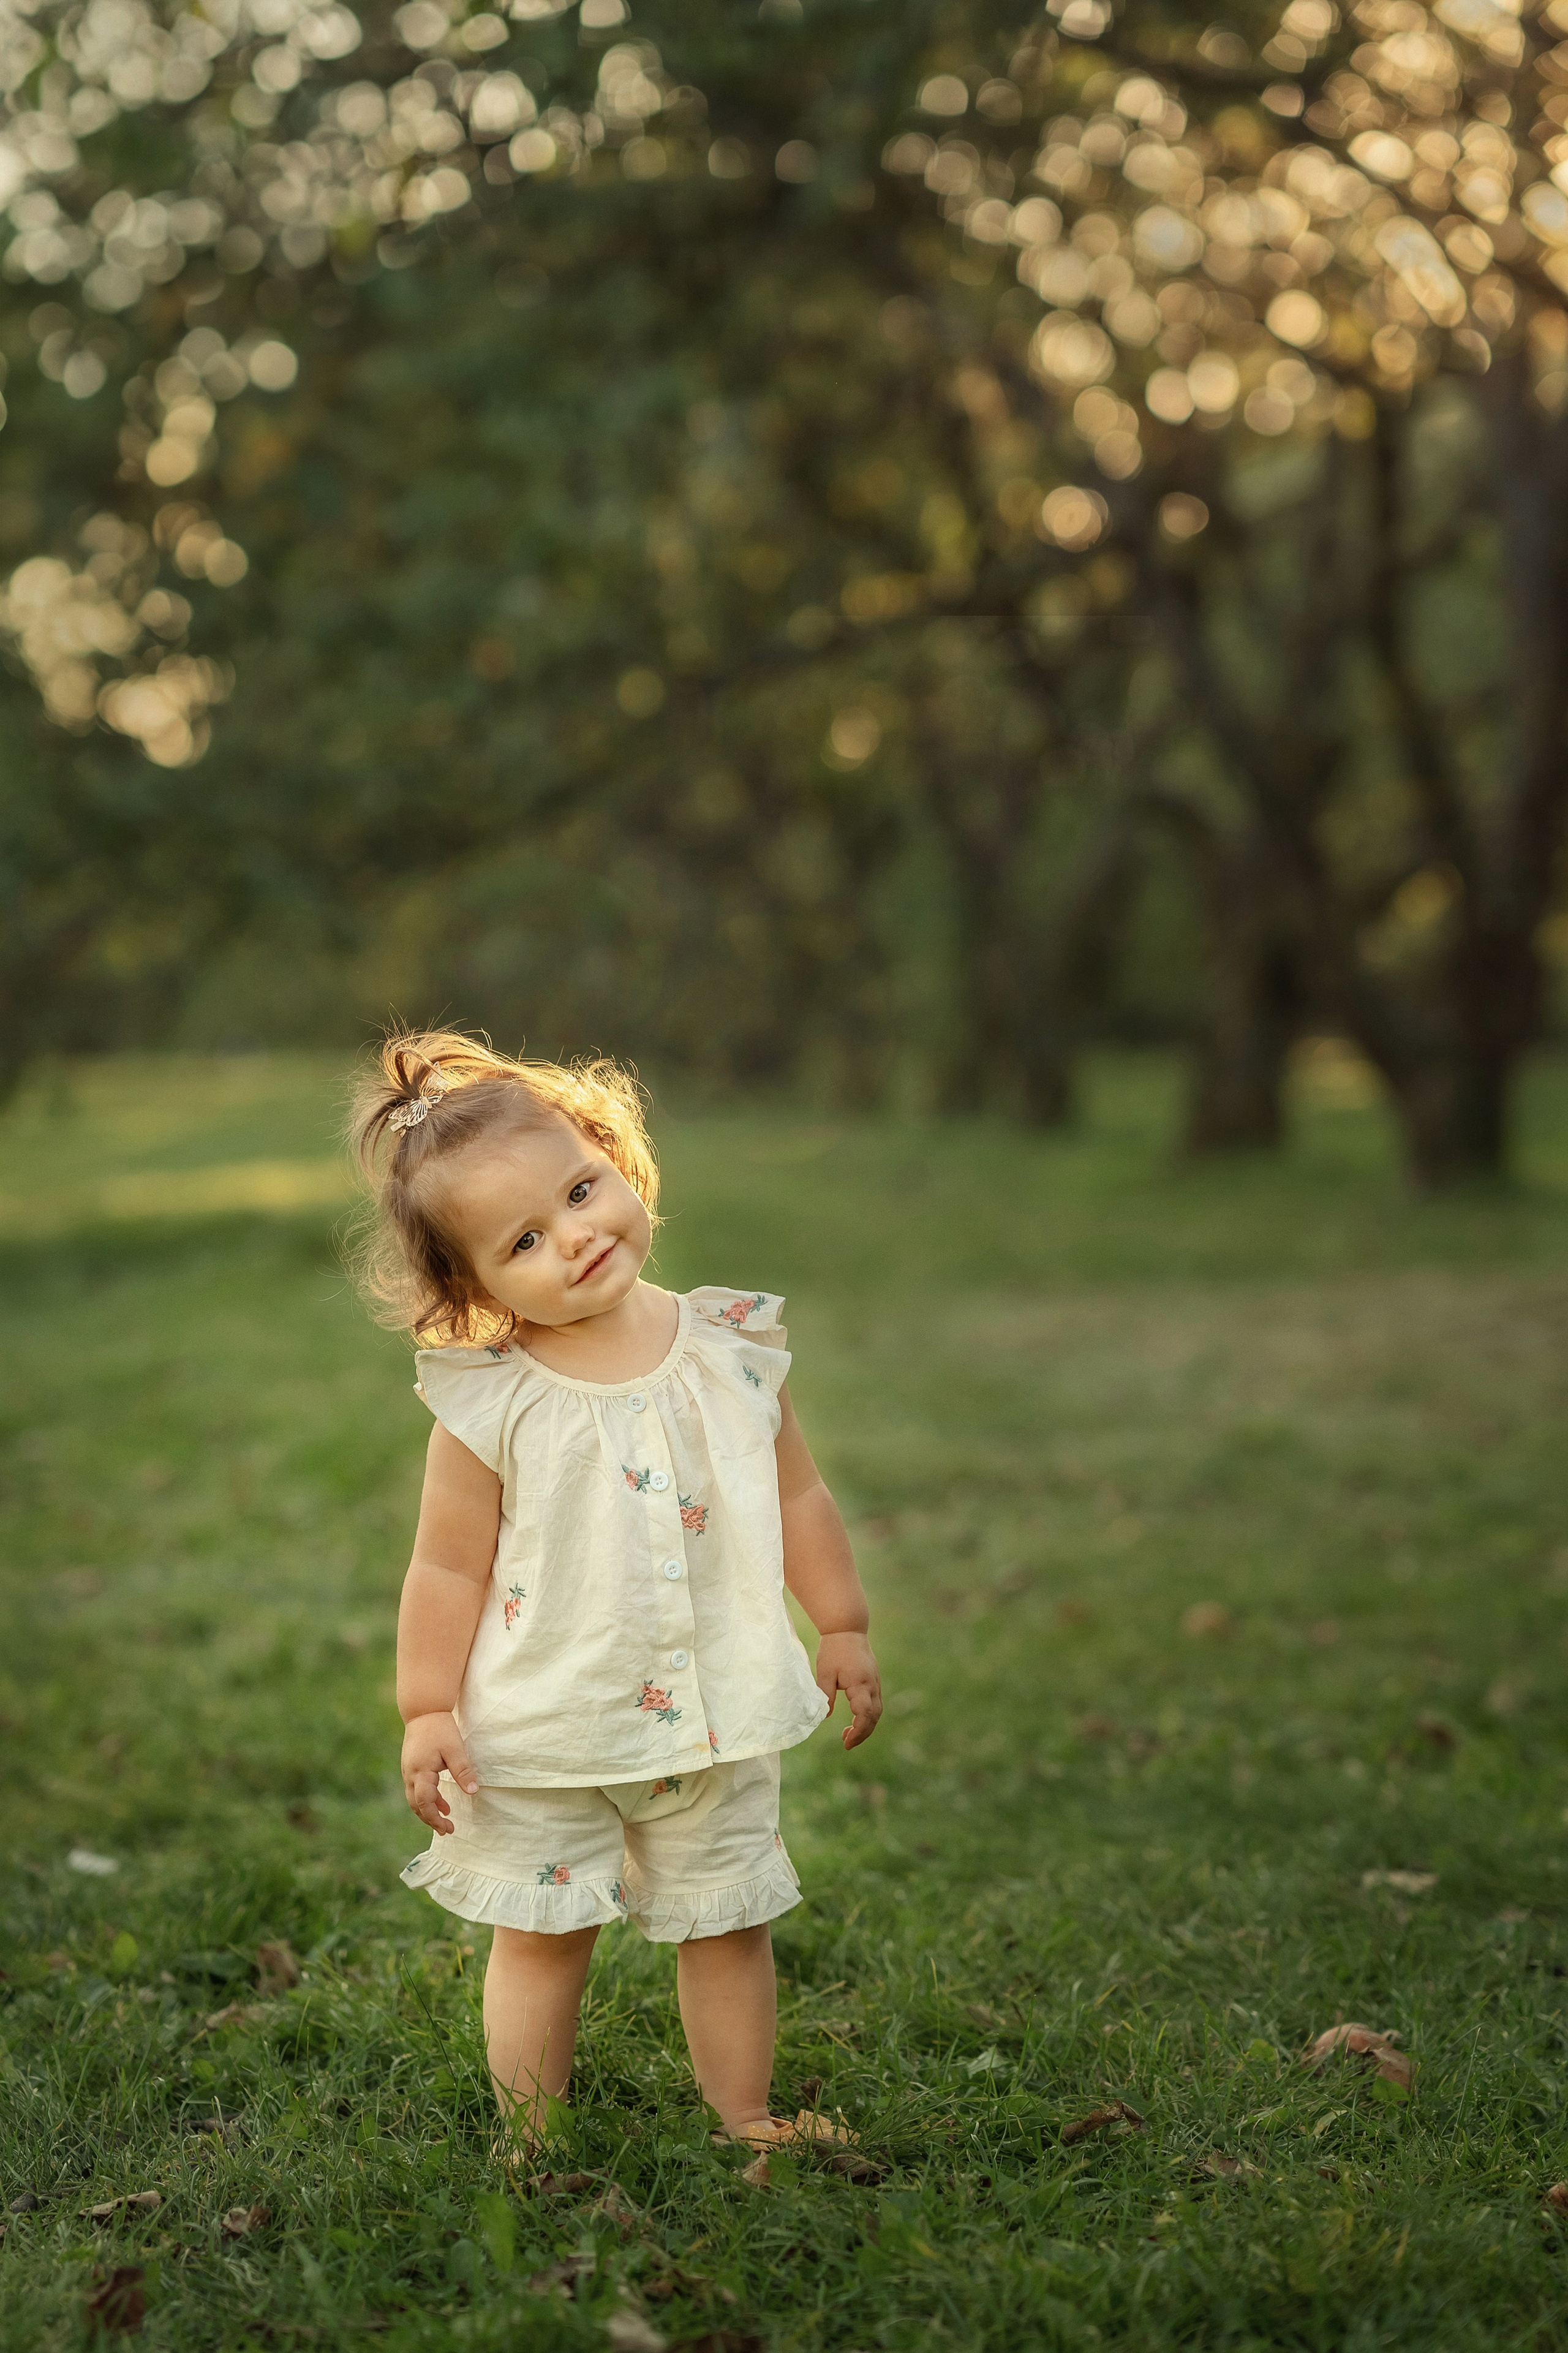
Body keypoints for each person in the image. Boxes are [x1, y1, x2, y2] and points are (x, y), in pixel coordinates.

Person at [349, 1029, 882, 2155]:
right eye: (526, 1239)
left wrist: (840, 1620)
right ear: (476, 1285)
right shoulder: (493, 1403)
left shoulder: (732, 1348)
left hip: (716, 1712)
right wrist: (426, 1706)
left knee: (730, 1925)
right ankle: (531, 2138)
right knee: (543, 1939)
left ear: (611, 1153)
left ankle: (746, 2118)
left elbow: (798, 1497)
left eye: (580, 1190)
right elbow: (445, 1566)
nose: (577, 1236)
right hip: (547, 1723)